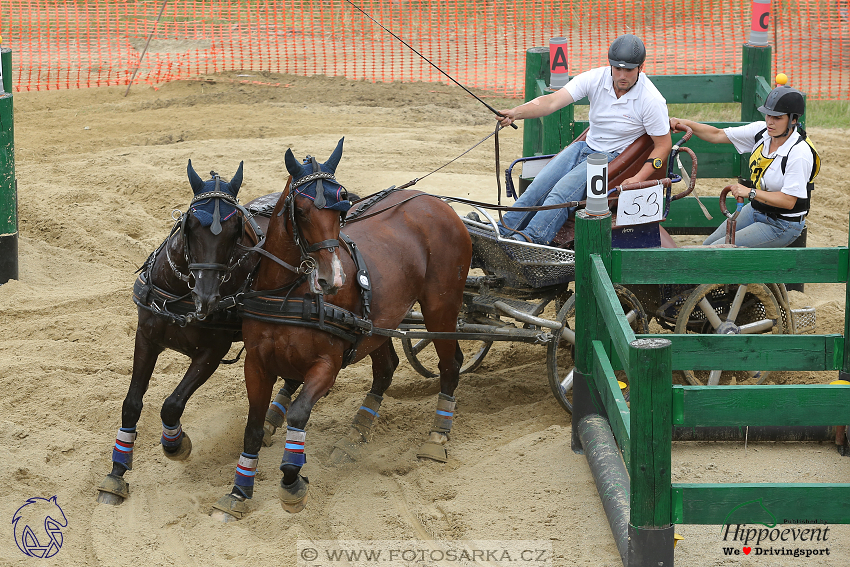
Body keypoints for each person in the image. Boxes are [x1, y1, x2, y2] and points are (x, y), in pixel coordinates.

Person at [490, 34, 671, 245]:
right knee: (538, 186)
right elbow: (552, 102)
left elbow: (663, 145)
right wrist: (515, 112)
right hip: (585, 147)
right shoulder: (595, 78)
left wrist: (640, 177)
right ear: (610, 65)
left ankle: (532, 240)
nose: (622, 75)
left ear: (641, 67)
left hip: (613, 158)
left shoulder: (651, 100)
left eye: (629, 70)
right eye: (617, 68)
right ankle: (502, 232)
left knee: (561, 193)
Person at [670, 85, 820, 248]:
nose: (770, 121)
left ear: (793, 120)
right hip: (756, 209)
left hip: (782, 225)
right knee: (707, 245)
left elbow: (789, 201)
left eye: (777, 118)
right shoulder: (761, 132)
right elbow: (717, 134)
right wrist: (683, 122)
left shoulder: (799, 153)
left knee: (712, 254)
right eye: (768, 115)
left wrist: (750, 192)